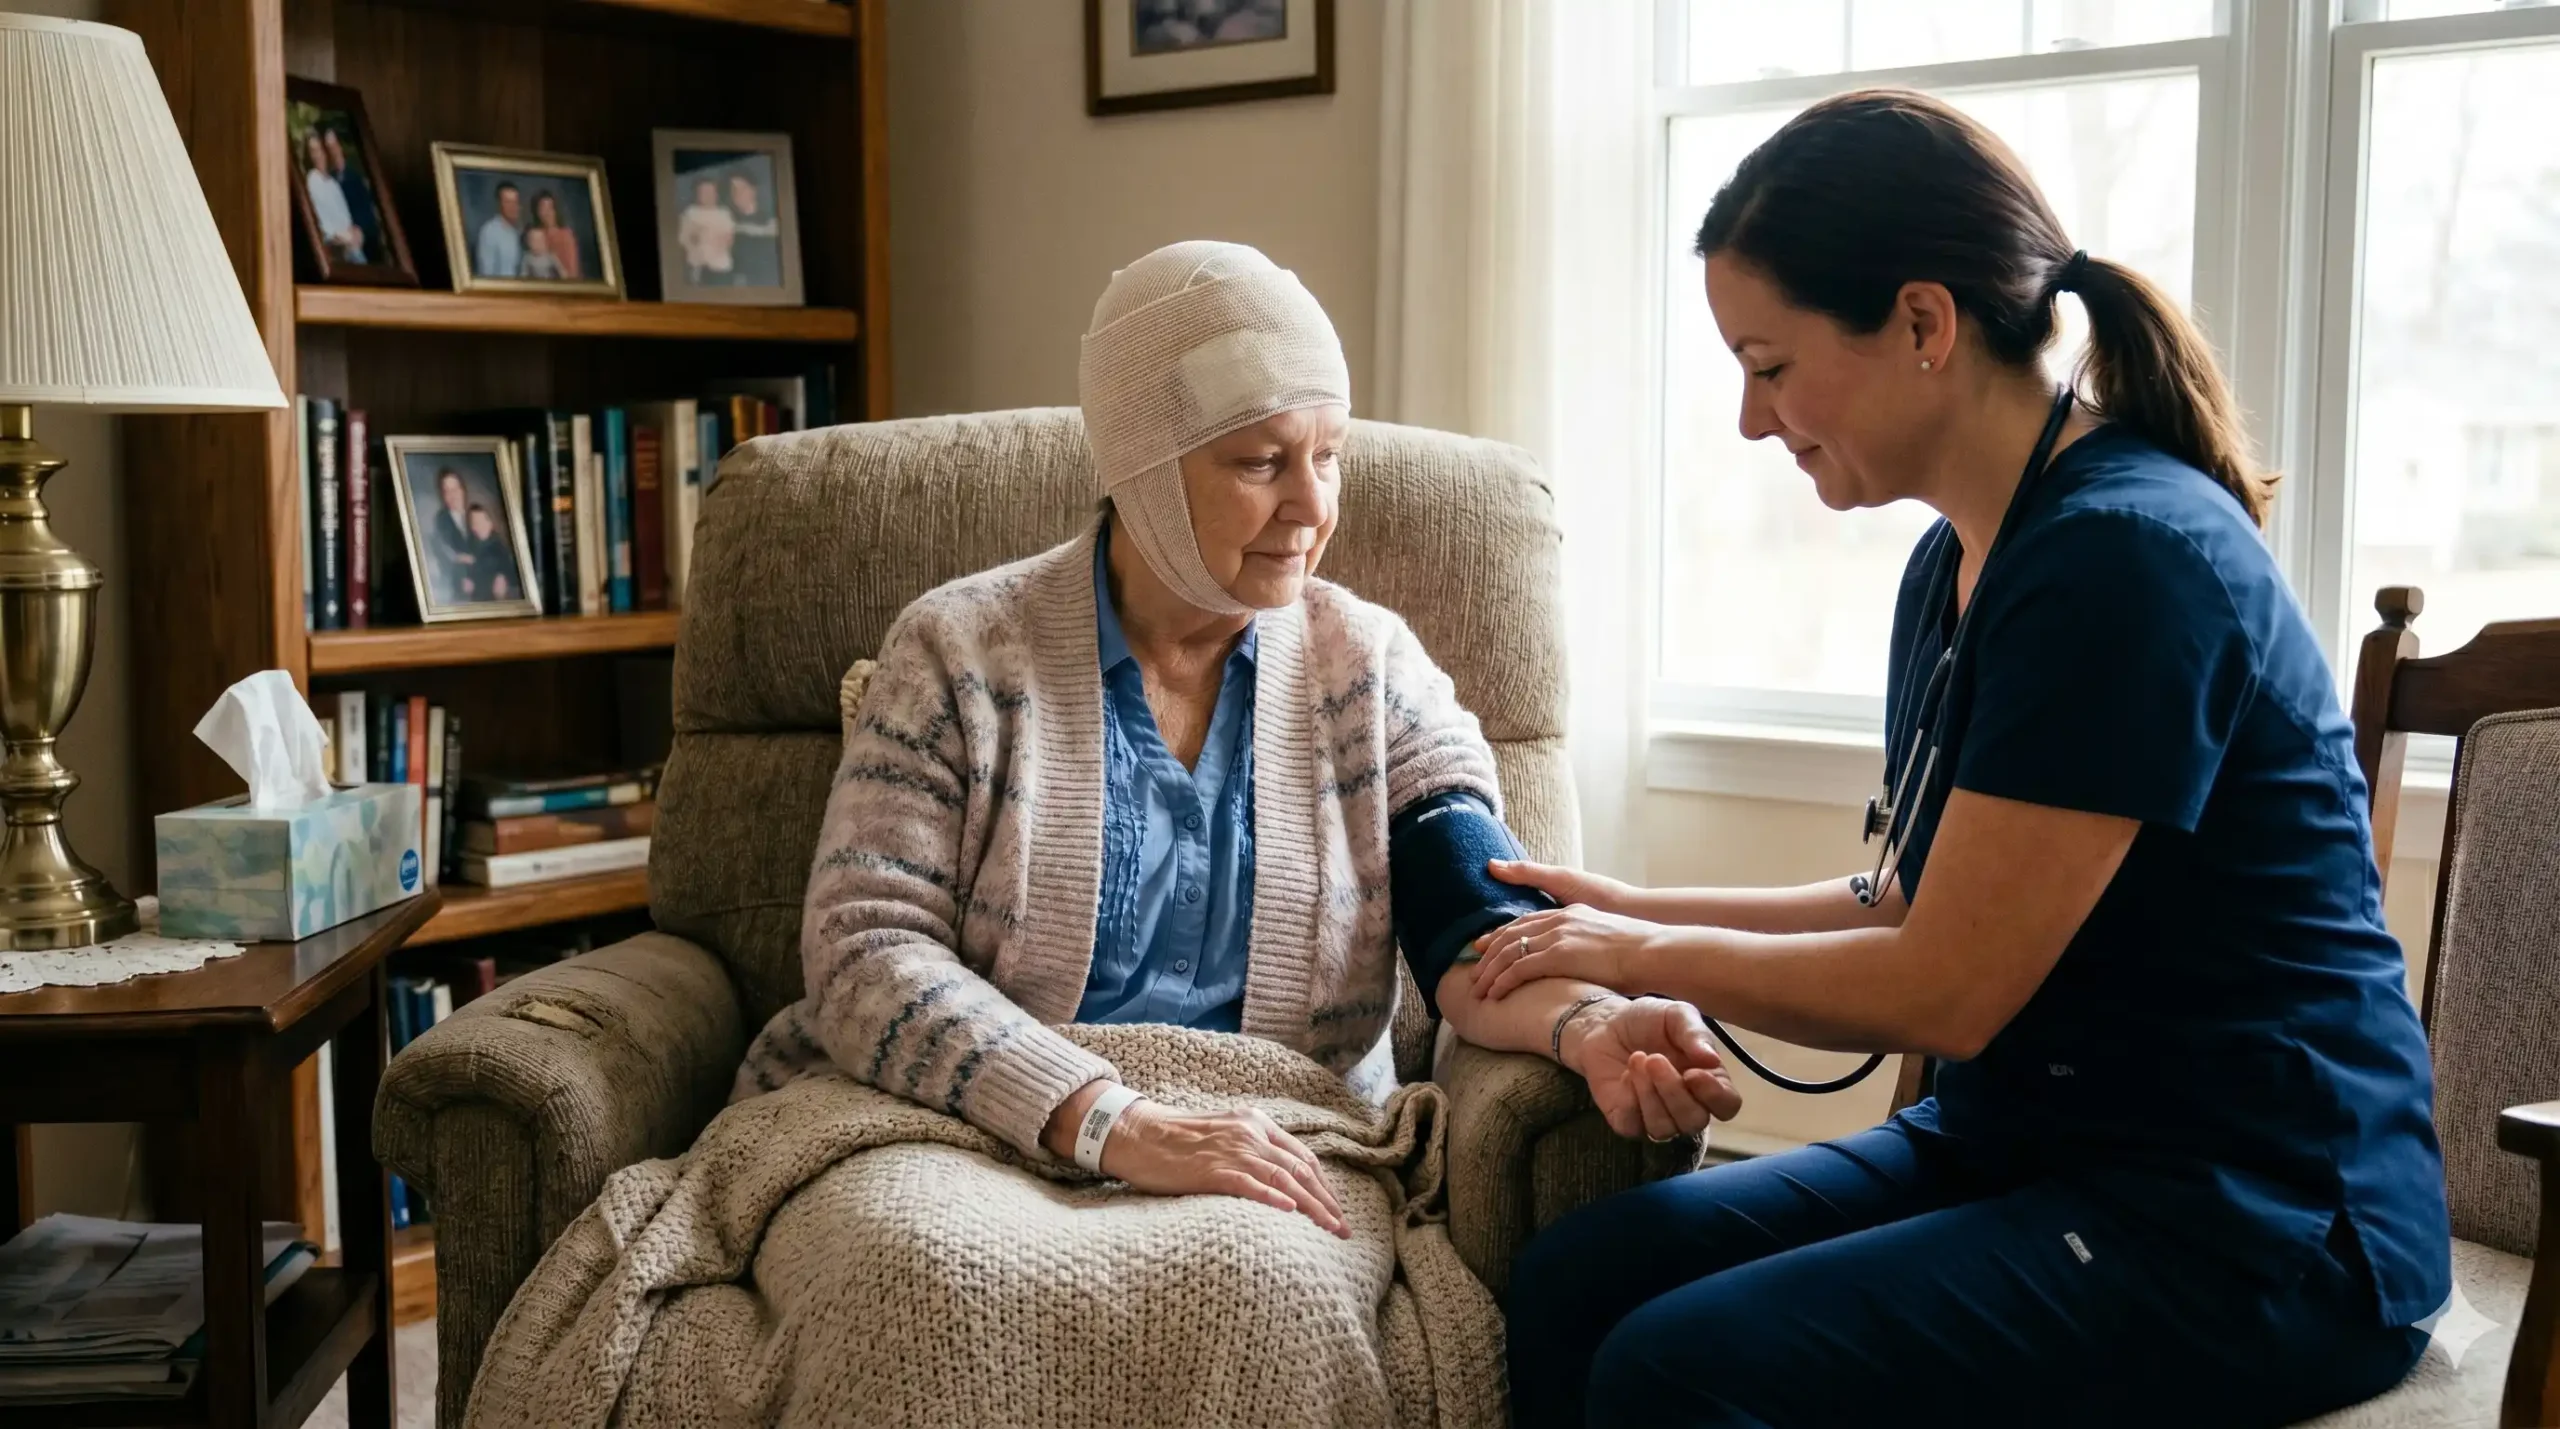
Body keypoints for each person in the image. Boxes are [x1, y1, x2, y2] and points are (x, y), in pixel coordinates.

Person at [1486, 89, 2450, 1429]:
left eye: (1770, 364)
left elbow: (1947, 986)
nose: (1752, 422)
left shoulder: (2128, 560)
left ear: (1924, 326)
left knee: (1679, 1366)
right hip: (2034, 1150)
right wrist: (1622, 905)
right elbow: (1906, 894)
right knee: (1578, 1277)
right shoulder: (1954, 566)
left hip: (2253, 1224)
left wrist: (1633, 957)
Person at [732, 239, 1737, 1232]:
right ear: (1140, 467)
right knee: (920, 1269)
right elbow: (865, 954)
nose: (1311, 507)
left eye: (1329, 458)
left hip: (1271, 1141)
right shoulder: (957, 651)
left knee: (1259, 1301)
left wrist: (1590, 1024)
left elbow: (1472, 922)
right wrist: (1109, 1123)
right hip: (962, 1125)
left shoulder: (1371, 673)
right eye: (1261, 462)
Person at [302, 130, 364, 264]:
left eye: (319, 150)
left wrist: (355, 232)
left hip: (350, 242)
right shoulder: (313, 181)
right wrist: (344, 238)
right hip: (337, 248)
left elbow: (345, 217)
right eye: (313, 151)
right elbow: (324, 227)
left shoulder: (332, 182)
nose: (317, 155)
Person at [322, 127, 379, 264]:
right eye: (328, 148)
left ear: (340, 147)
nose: (332, 151)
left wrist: (358, 230)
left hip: (361, 243)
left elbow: (368, 215)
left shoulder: (356, 178)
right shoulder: (328, 181)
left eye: (334, 146)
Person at [423, 468, 478, 603]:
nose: (453, 496)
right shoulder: (441, 520)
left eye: (455, 489)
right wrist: (460, 562)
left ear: (463, 490)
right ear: (443, 496)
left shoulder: (475, 514)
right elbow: (446, 553)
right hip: (458, 582)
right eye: (447, 492)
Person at [676, 177, 734, 286]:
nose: (708, 195)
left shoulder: (724, 213)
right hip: (698, 267)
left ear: (717, 194)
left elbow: (729, 237)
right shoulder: (690, 213)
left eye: (711, 191)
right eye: (703, 192)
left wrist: (723, 241)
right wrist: (695, 236)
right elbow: (683, 238)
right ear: (697, 195)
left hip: (721, 267)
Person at [726, 172, 780, 288]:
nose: (737, 193)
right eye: (734, 189)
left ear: (753, 190)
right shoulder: (728, 220)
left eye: (742, 188)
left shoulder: (771, 219)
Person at [462, 503, 514, 601]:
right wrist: (463, 578)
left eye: (481, 521)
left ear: (491, 523)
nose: (477, 526)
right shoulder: (469, 545)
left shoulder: (499, 548)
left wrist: (502, 577)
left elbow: (509, 572)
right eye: (474, 522)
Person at [529, 190, 581, 281]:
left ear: (555, 210)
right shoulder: (535, 235)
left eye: (550, 208)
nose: (547, 213)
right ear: (537, 212)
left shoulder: (566, 235)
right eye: (543, 208)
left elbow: (573, 270)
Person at [474, 182, 522, 280]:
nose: (513, 207)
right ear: (499, 204)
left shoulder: (516, 232)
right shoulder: (489, 231)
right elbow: (486, 273)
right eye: (508, 202)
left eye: (515, 202)